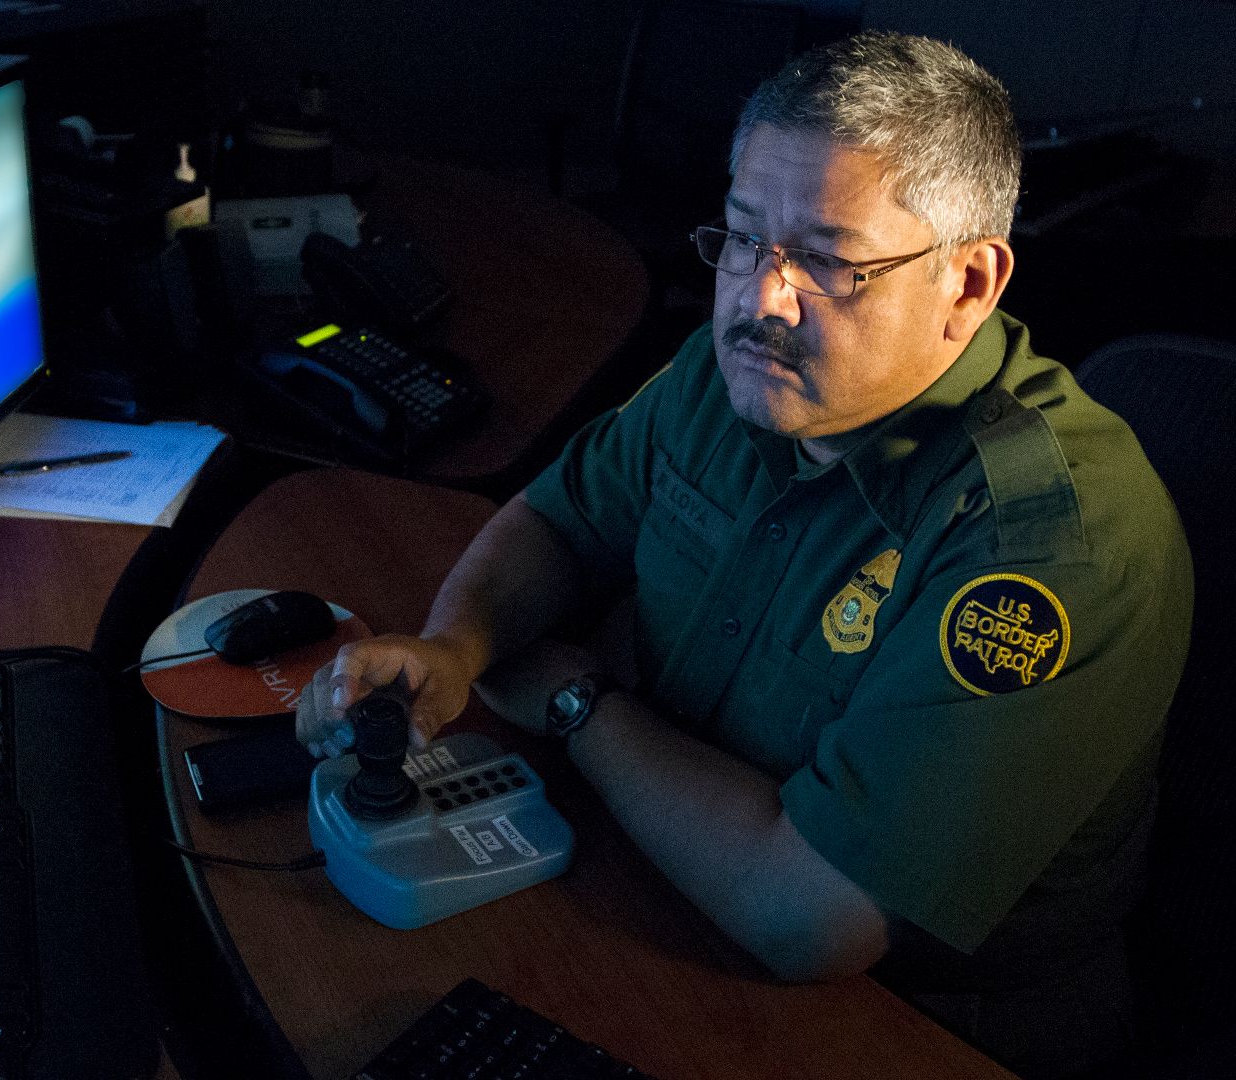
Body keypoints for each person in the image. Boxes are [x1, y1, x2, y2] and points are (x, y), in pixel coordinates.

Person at [294, 32, 1193, 1080]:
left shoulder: (1044, 546)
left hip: (929, 1020)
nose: (758, 301)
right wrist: (457, 646)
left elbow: (811, 919)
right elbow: (560, 521)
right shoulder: (742, 371)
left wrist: (579, 702)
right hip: (668, 867)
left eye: (825, 258)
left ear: (968, 283)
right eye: (741, 235)